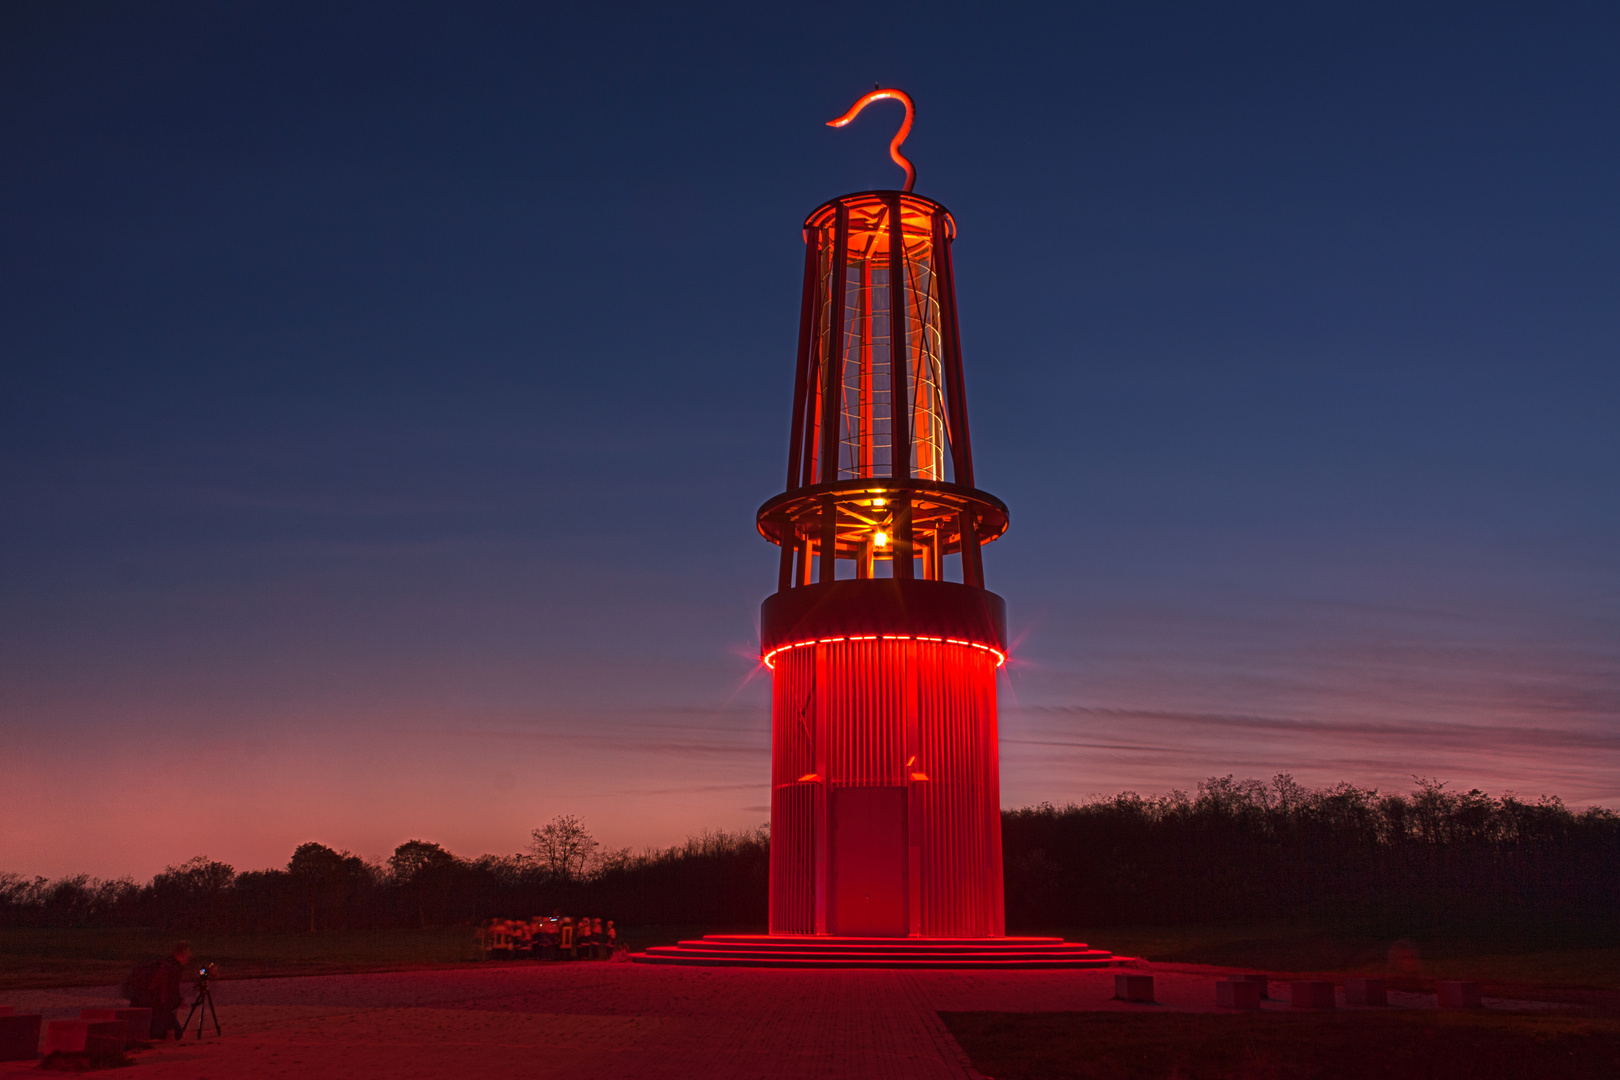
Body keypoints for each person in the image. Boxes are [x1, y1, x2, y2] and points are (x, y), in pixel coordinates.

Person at [143, 941, 192, 1040]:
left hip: (149, 1002)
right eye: (187, 954)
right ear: (182, 954)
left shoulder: (164, 963)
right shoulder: (173, 969)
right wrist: (178, 1002)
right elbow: (168, 994)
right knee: (177, 1033)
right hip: (157, 1006)